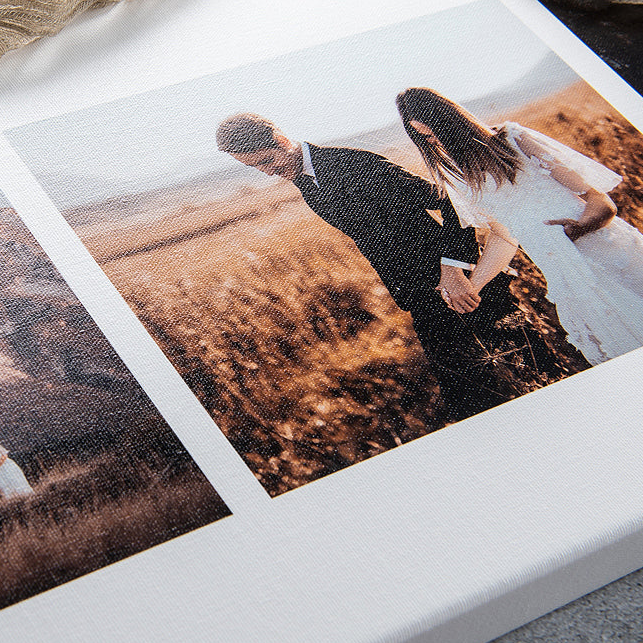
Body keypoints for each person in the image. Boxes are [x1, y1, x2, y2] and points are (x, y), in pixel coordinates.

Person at [216, 112, 527, 423]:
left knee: (527, 365)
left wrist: (454, 269)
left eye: (268, 161)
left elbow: (449, 200)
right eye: (257, 168)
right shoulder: (306, 181)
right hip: (420, 297)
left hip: (464, 284)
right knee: (469, 397)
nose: (268, 172)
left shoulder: (352, 164)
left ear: (282, 141)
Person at [395, 87, 643, 365]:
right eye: (424, 138)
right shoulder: (459, 178)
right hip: (570, 277)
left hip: (607, 252)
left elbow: (601, 202)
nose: (433, 141)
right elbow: (505, 237)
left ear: (450, 121)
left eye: (434, 131)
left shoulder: (514, 139)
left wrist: (579, 229)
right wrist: (474, 284)